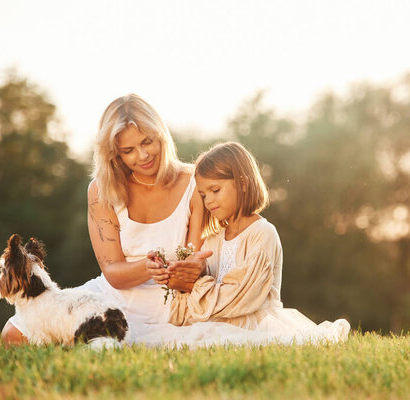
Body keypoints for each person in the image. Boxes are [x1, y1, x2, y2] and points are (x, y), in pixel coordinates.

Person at [1, 94, 209, 344]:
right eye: (129, 150)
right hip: (115, 296)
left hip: (173, 298)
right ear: (114, 154)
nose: (142, 155)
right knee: (13, 334)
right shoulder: (101, 191)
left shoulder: (193, 182)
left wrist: (188, 269)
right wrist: (148, 266)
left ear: (161, 136)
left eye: (147, 142)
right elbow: (113, 273)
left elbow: (194, 256)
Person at [137, 142, 349, 347]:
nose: (208, 200)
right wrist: (179, 278)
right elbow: (202, 297)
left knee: (221, 340)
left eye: (215, 190)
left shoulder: (262, 234)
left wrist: (194, 286)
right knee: (161, 340)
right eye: (203, 195)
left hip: (256, 324)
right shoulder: (213, 240)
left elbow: (243, 297)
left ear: (243, 183)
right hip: (218, 323)